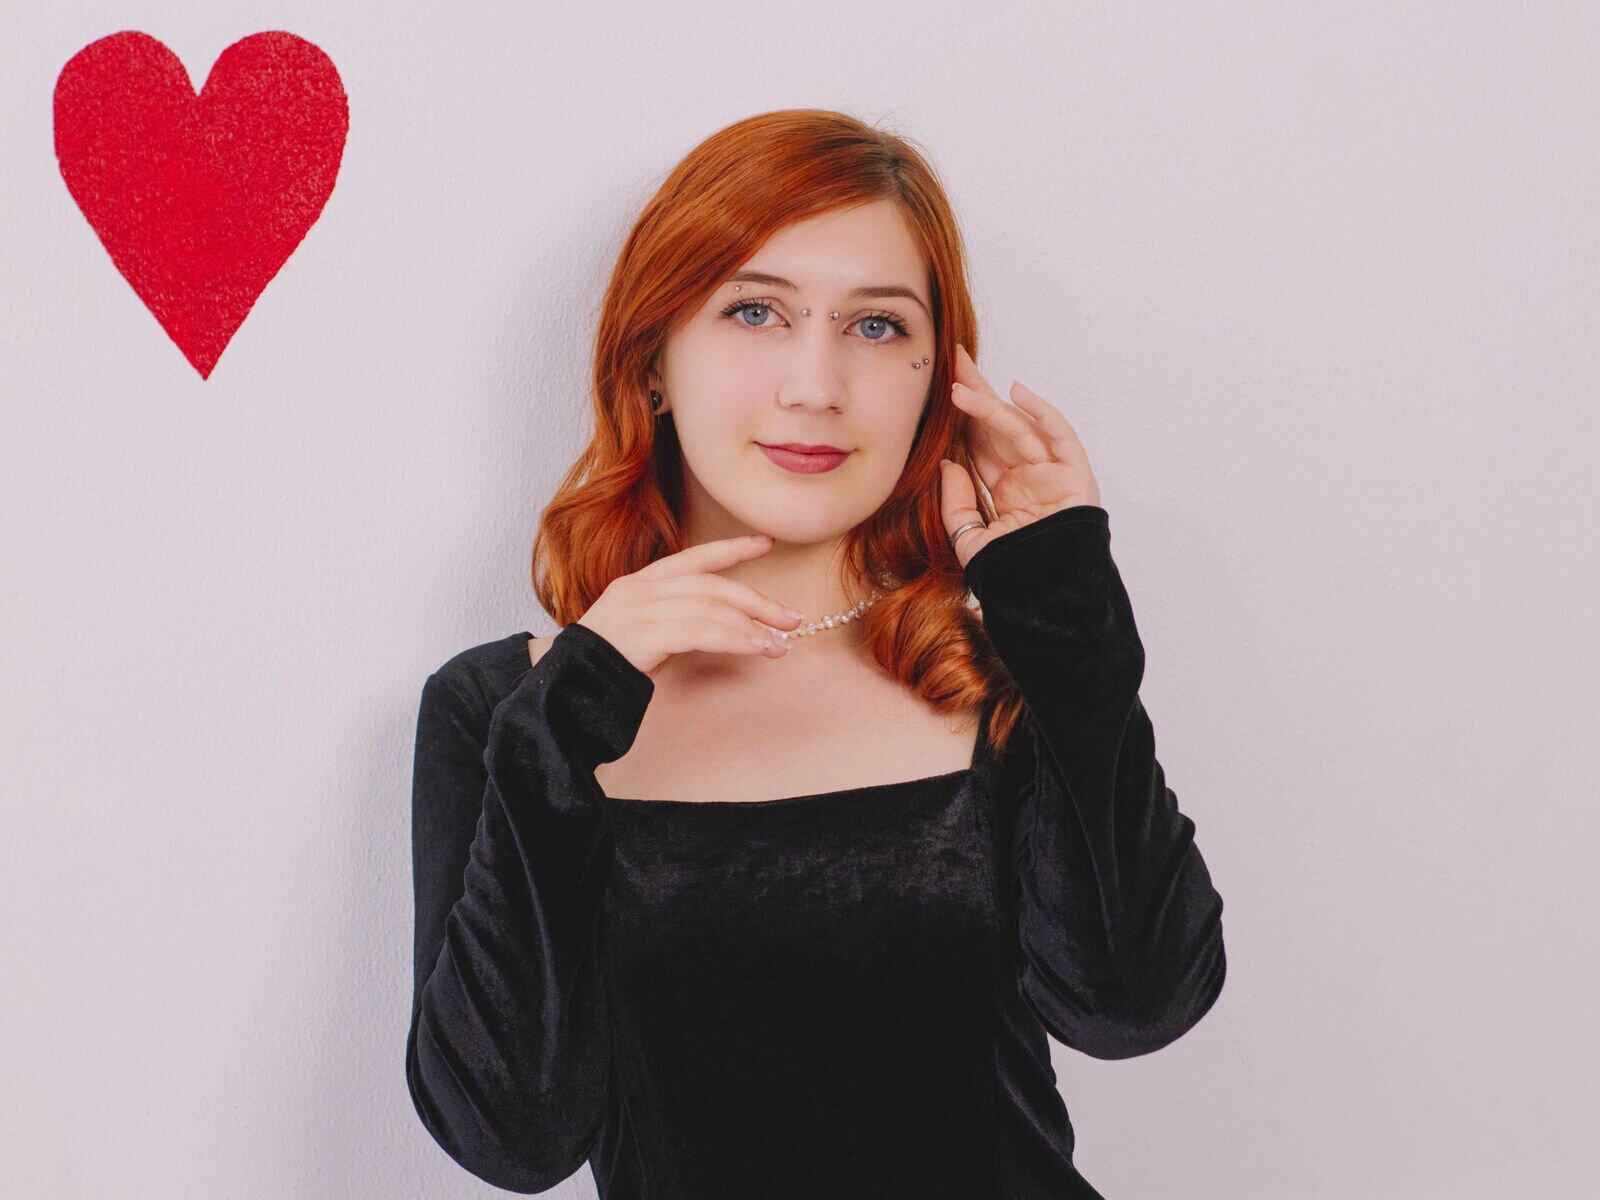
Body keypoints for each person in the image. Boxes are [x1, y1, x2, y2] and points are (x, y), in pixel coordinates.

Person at [405, 108, 1226, 1198]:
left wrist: (1064, 613)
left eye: (876, 326)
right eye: (755, 312)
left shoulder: (996, 671)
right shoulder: (512, 707)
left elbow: (1132, 1006)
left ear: (936, 377)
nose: (816, 386)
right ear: (651, 361)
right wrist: (570, 714)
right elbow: (509, 1134)